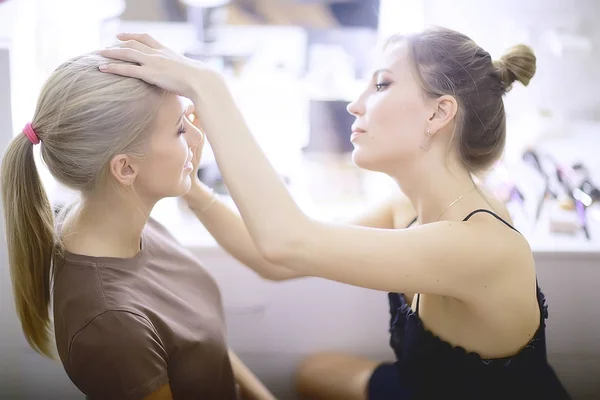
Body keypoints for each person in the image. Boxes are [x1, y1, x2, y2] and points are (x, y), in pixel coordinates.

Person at [98, 25, 571, 399]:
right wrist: (193, 189)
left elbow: (287, 240)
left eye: (382, 84)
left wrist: (209, 88)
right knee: (311, 374)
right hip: (425, 385)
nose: (354, 104)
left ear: (438, 114)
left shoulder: (479, 244)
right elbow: (274, 260)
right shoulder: (407, 206)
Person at [0, 52, 277, 400]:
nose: (196, 137)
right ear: (126, 169)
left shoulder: (130, 224)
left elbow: (203, 346)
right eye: (180, 128)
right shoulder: (112, 323)